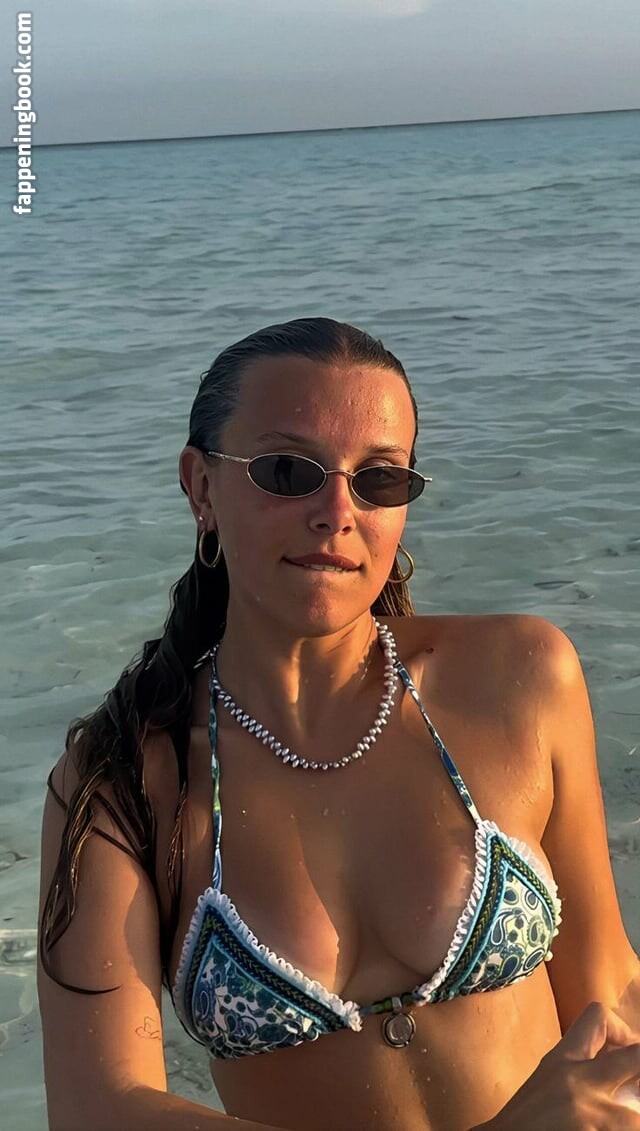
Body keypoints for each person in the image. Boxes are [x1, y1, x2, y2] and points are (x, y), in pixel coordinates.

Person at [38, 317, 640, 1131]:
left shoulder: (520, 679)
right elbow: (99, 1109)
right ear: (201, 487)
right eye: (289, 471)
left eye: (379, 479)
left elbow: (610, 993)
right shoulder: (124, 782)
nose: (337, 510)